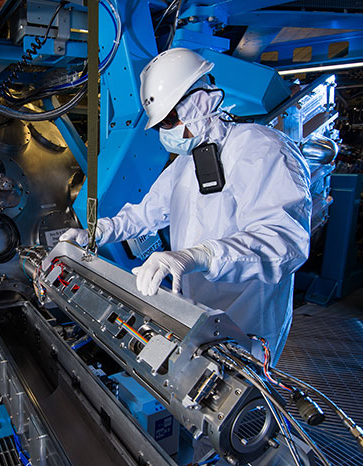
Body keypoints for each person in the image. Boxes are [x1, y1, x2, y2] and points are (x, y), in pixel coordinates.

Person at [60, 48, 312, 360]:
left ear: (200, 102)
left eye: (169, 120)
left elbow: (286, 245)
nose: (167, 131)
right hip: (198, 317)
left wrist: (200, 256)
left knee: (240, 401)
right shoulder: (185, 164)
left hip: (248, 322)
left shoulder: (262, 151)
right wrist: (96, 233)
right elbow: (146, 213)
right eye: (162, 124)